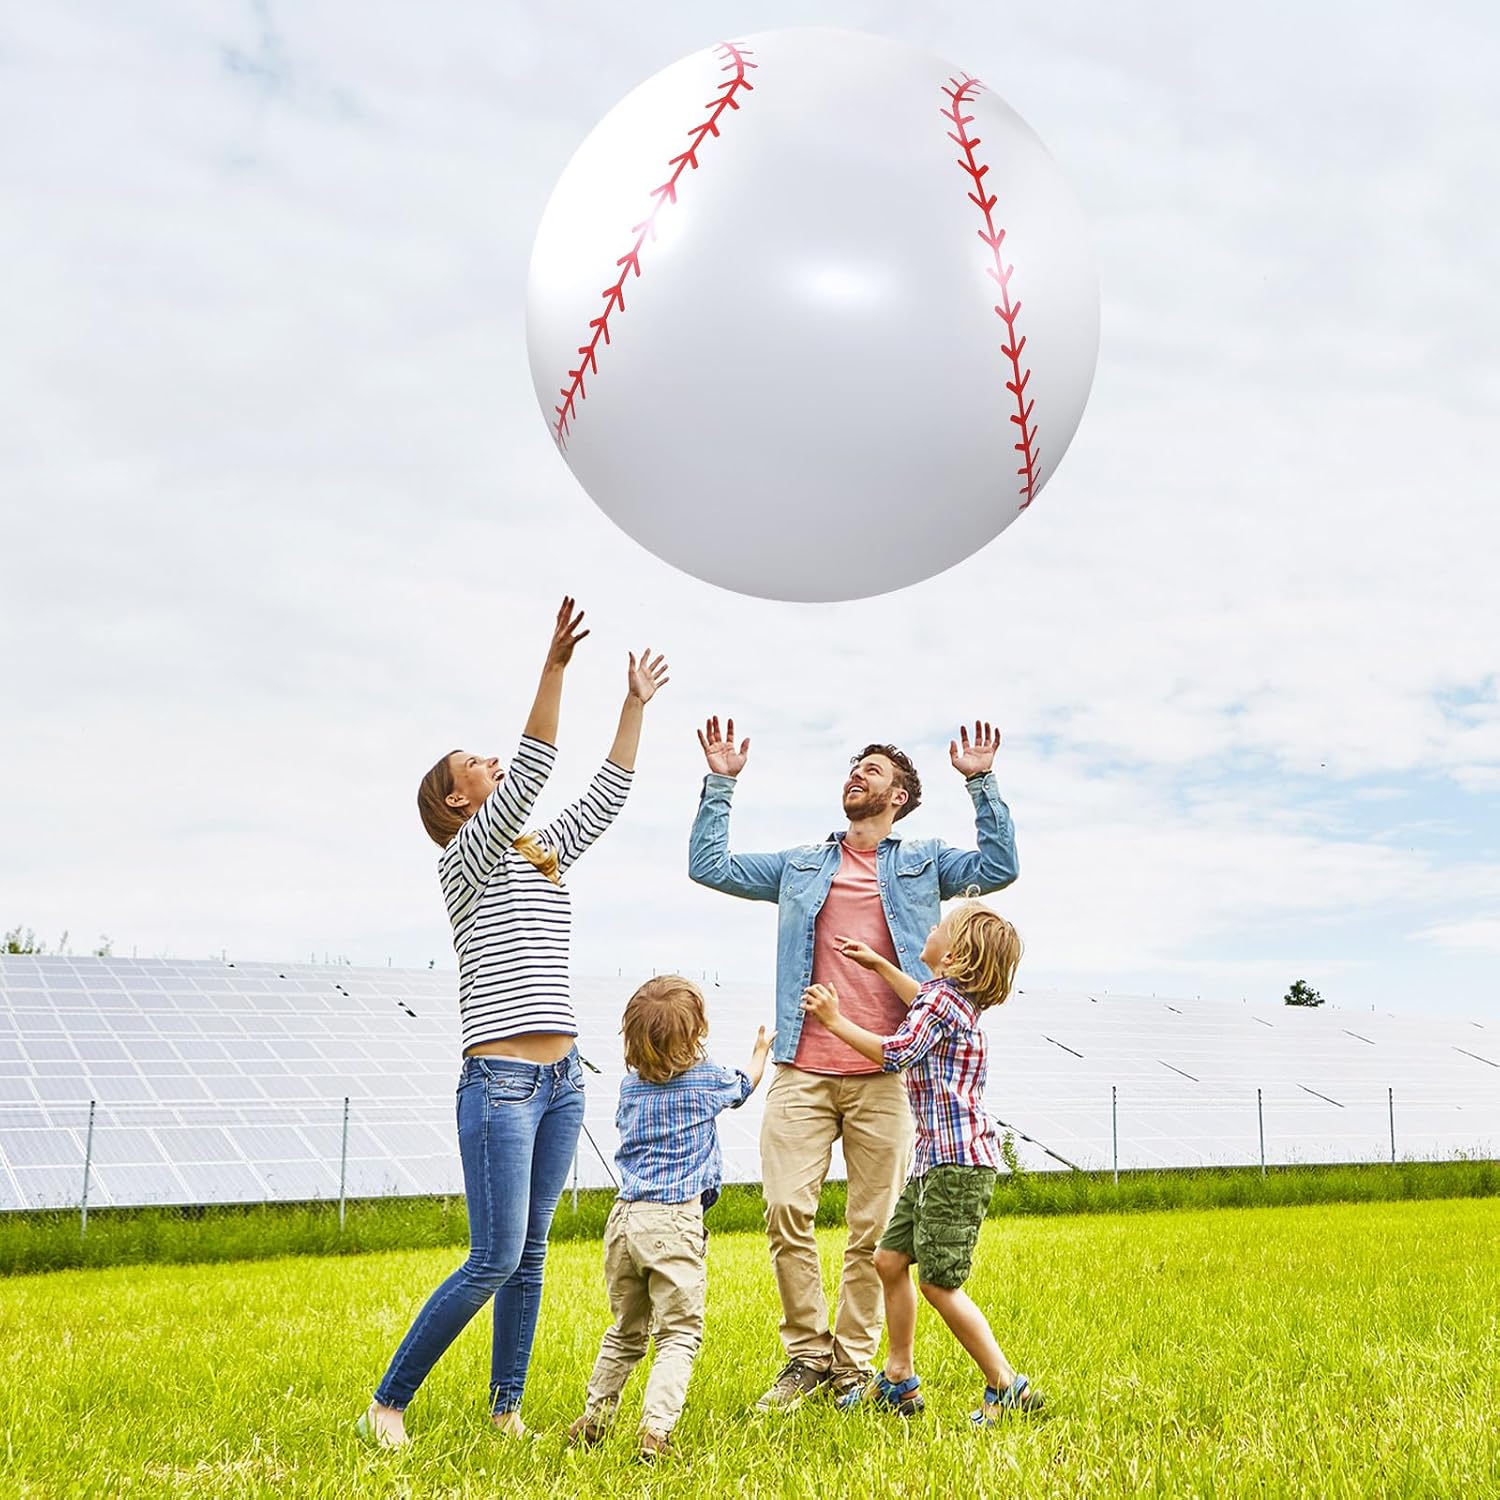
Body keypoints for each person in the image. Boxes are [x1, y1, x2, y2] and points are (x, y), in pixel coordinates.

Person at [357, 597, 669, 1448]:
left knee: (530, 1259)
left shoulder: (538, 855)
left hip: (562, 1081)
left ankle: (505, 1411)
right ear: (456, 803)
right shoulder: (465, 859)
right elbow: (532, 766)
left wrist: (633, 706)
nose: (491, 763)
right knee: (493, 1257)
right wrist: (555, 667)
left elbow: (604, 796)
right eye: (475, 764)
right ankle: (387, 1403)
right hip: (498, 1084)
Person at [688, 716, 1019, 1410]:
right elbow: (709, 867)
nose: (856, 775)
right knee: (786, 1211)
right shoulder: (801, 864)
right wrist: (720, 782)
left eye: (872, 769)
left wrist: (982, 783)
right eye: (853, 767)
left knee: (875, 1233)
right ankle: (806, 1360)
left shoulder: (923, 861)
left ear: (898, 796)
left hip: (887, 1077)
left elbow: (999, 869)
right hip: (802, 1067)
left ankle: (853, 1368)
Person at [801, 900, 1044, 1423]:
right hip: (937, 1164)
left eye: (941, 927)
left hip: (956, 1169)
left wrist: (835, 1020)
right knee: (889, 1261)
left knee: (939, 1283)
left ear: (952, 956)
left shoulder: (941, 1004)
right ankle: (898, 1379)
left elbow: (895, 1054)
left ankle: (1007, 1386)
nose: (931, 928)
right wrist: (881, 966)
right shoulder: (948, 1001)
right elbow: (920, 1001)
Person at [569, 976, 773, 1460]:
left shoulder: (628, 1088)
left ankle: (595, 1417)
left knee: (625, 1331)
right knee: (678, 1334)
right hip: (674, 1222)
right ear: (694, 1033)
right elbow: (745, 1085)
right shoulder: (705, 1078)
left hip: (623, 1221)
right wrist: (760, 1049)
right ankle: (656, 1431)